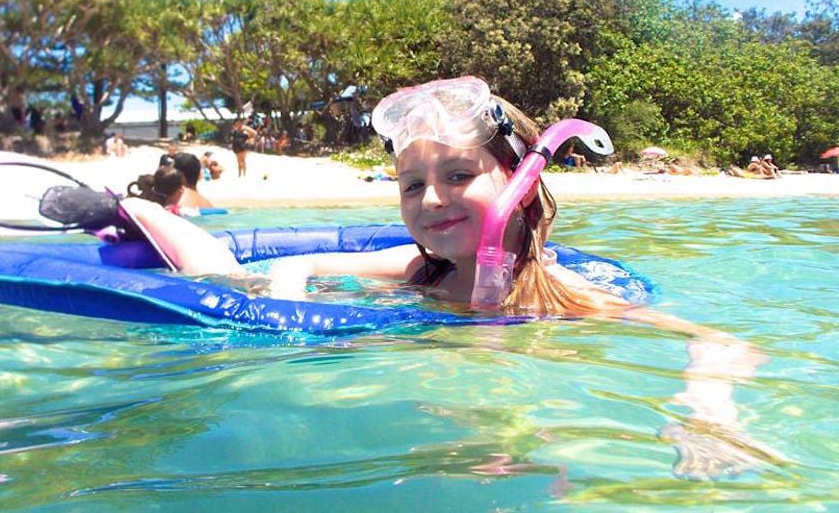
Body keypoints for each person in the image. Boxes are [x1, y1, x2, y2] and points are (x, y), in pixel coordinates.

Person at [120, 76, 781, 479]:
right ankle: (134, 208)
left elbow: (722, 343)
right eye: (412, 185)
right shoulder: (417, 270)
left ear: (523, 184)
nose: (431, 201)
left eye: (459, 176)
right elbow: (294, 265)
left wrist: (707, 415)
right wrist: (284, 306)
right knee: (225, 277)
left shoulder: (560, 295)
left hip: (501, 450)